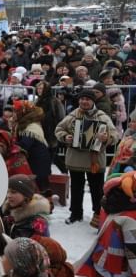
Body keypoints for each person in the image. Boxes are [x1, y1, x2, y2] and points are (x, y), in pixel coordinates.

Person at [55, 88, 119, 227]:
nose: (84, 101)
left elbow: (115, 134)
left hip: (94, 160)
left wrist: (106, 137)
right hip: (75, 158)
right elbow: (59, 129)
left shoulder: (102, 116)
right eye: (82, 99)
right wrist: (66, 137)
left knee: (97, 189)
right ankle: (75, 214)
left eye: (88, 99)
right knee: (76, 188)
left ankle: (98, 214)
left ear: (93, 101)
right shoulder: (73, 115)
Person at [12, 101, 51, 190]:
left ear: (23, 112)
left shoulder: (32, 127)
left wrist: (10, 144)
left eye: (16, 111)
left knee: (40, 189)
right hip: (33, 161)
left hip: (38, 164)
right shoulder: (23, 124)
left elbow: (24, 145)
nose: (13, 114)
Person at [0, 174, 51, 239]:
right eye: (8, 192)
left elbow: (40, 246)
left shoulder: (38, 222)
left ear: (26, 195)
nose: (8, 196)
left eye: (13, 192)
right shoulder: (8, 213)